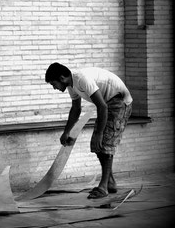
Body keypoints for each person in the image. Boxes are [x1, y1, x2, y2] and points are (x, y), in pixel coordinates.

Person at [45, 62, 133, 199]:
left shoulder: (82, 79)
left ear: (62, 78)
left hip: (119, 101)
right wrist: (66, 131)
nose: (54, 88)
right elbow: (76, 109)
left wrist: (99, 132)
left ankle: (103, 187)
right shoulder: (71, 85)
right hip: (107, 103)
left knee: (104, 144)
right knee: (96, 145)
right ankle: (110, 182)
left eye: (53, 84)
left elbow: (102, 107)